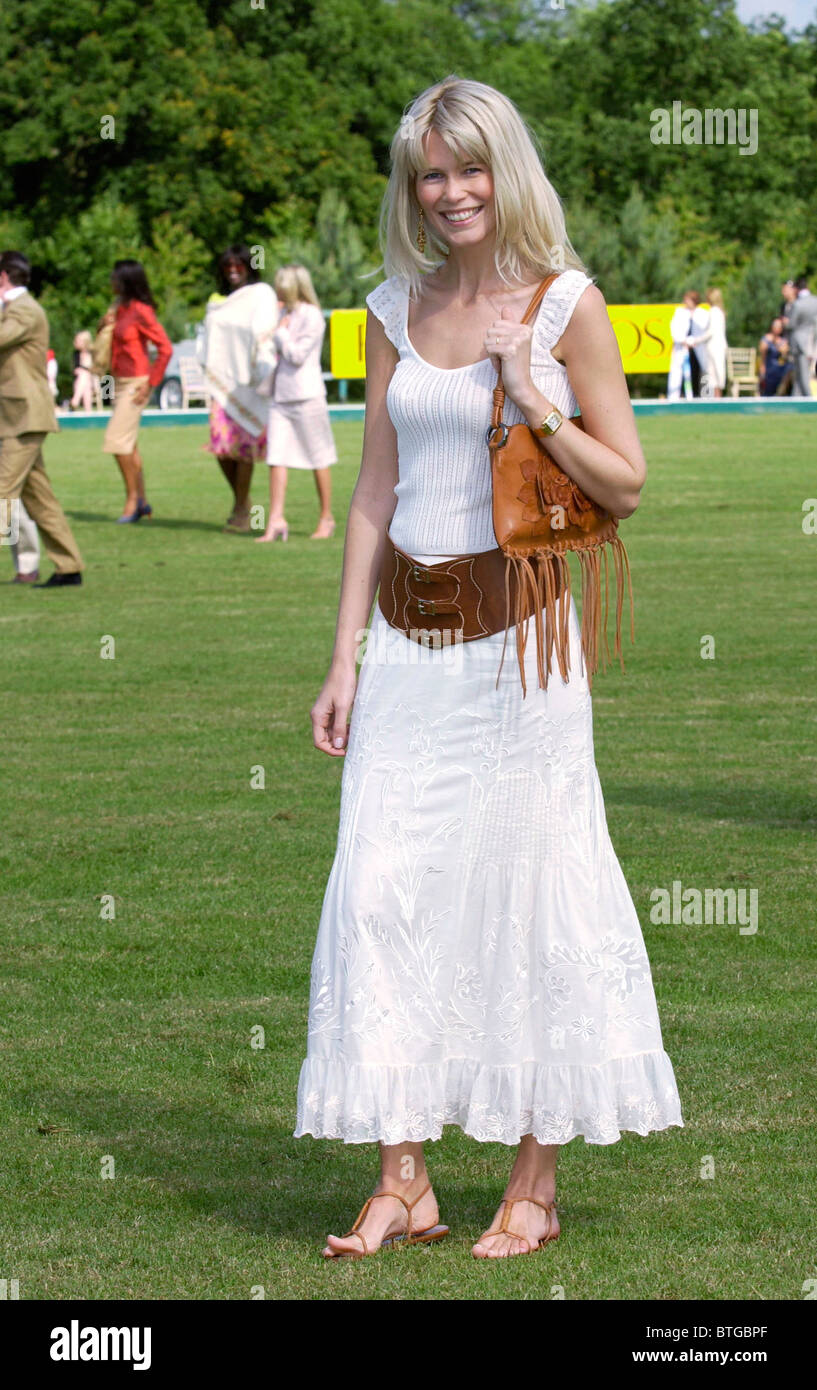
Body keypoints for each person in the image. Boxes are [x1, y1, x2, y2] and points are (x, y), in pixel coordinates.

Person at [295, 76, 683, 1261]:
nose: (451, 192)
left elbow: (624, 482)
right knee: (378, 895)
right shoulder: (387, 307)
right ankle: (402, 1179)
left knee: (534, 898)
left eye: (469, 168)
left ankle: (533, 1181)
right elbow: (373, 493)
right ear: (411, 187)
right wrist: (344, 656)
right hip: (406, 656)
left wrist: (531, 400)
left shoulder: (566, 306)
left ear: (502, 171)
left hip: (520, 653)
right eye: (430, 172)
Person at [0, 250, 84, 588]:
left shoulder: (25, 310)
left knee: (3, 492)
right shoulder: (14, 310)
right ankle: (69, 566)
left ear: (4, 277)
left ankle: (64, 566)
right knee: (39, 499)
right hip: (16, 416)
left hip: (24, 416)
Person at [199, 245, 278, 533]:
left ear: (249, 266)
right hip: (222, 385)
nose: (233, 270)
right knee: (222, 449)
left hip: (249, 383)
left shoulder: (262, 295)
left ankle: (241, 509)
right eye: (227, 265)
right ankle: (241, 501)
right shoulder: (218, 300)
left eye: (238, 264)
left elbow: (265, 331)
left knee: (243, 449)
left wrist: (263, 368)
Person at [256, 264, 338, 543]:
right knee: (275, 458)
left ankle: (326, 516)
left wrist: (279, 335)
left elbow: (297, 355)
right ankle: (276, 519)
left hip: (307, 397)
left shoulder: (313, 316)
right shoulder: (284, 313)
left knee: (319, 457)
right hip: (281, 397)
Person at [100, 259, 172, 523]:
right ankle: (142, 500)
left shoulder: (141, 311)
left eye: (115, 278)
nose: (111, 282)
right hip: (117, 382)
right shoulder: (118, 309)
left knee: (116, 440)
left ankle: (131, 500)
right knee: (129, 445)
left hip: (136, 383)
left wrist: (151, 383)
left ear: (127, 281)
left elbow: (165, 348)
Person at [784, 275, 817, 397]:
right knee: (800, 375)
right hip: (813, 341)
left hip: (799, 343)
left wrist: (785, 323)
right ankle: (796, 399)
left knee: (802, 375)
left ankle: (808, 401)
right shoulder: (815, 301)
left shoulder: (797, 304)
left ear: (797, 289)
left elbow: (791, 324)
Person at [667, 291, 703, 399]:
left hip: (697, 349)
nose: (686, 302)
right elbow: (674, 329)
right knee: (677, 372)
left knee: (696, 373)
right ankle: (674, 396)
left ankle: (694, 395)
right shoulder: (680, 312)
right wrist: (683, 341)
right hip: (681, 348)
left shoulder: (702, 313)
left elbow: (703, 331)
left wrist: (695, 341)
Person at [695, 287, 728, 398]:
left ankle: (718, 397)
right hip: (714, 346)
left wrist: (697, 340)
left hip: (716, 346)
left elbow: (711, 332)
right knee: (712, 373)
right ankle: (716, 397)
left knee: (716, 373)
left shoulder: (714, 311)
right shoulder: (717, 311)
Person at [758, 317, 790, 396]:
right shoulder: (766, 339)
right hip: (769, 370)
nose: (777, 328)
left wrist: (777, 344)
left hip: (780, 370)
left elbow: (785, 355)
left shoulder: (784, 340)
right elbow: (762, 356)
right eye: (775, 325)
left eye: (779, 326)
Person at [70, 330, 95, 411]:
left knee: (84, 375)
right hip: (81, 381)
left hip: (93, 380)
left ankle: (75, 400)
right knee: (84, 380)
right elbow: (74, 369)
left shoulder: (91, 353)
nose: (75, 343)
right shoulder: (76, 354)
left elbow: (93, 369)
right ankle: (88, 410)